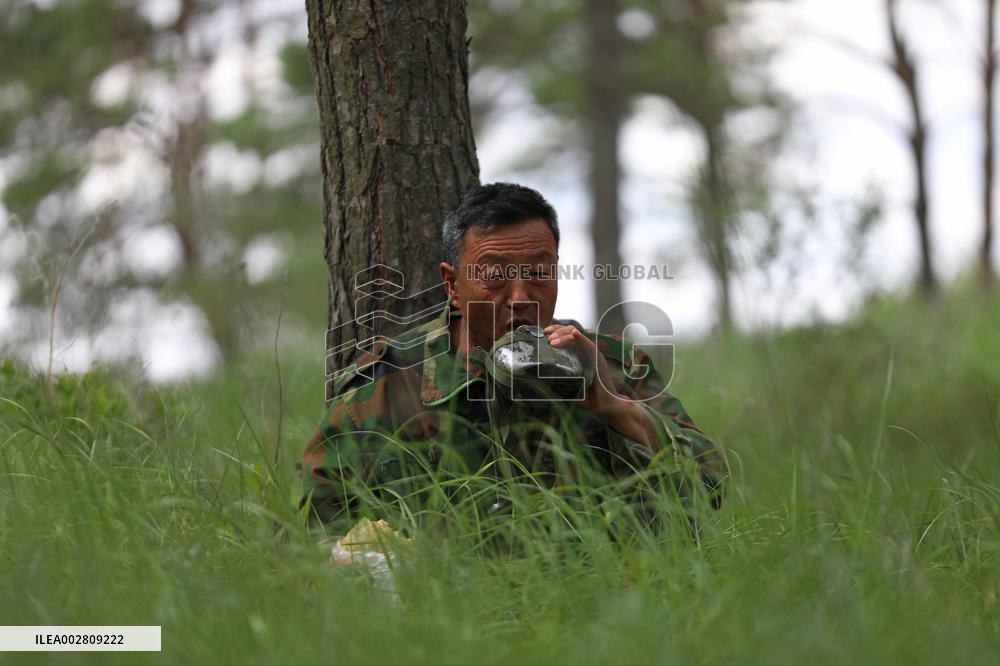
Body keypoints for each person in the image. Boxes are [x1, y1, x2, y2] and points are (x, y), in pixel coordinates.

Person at [299, 182, 726, 533]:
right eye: (495, 276)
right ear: (452, 284)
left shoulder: (610, 364)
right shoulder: (389, 383)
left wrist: (614, 406)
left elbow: (711, 485)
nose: (521, 298)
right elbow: (319, 531)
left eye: (539, 274)